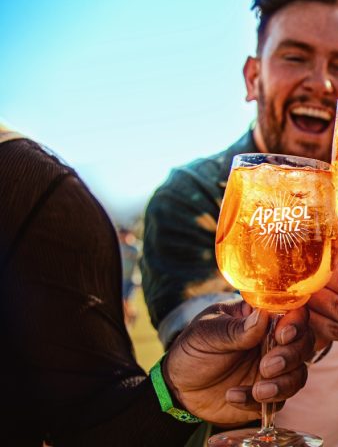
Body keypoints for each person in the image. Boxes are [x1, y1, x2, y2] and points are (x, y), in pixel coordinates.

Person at [141, 0, 338, 446]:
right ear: (254, 77)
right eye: (295, 57)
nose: (322, 83)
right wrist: (312, 311)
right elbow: (208, 354)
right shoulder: (195, 194)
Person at [1, 125, 315, 446]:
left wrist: (174, 398)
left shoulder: (23, 183)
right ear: (252, 78)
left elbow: (91, 420)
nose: (324, 84)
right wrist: (175, 395)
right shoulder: (27, 185)